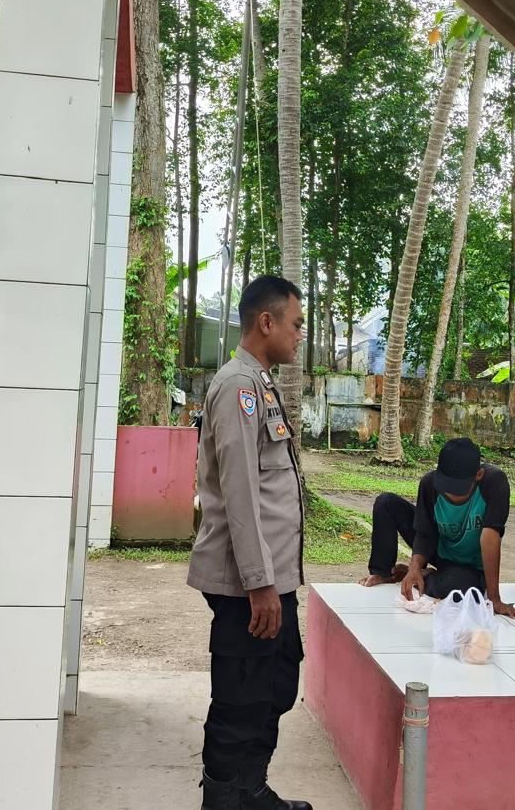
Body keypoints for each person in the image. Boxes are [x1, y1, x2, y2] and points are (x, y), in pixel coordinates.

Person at [187, 275, 311, 810]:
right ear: (266, 322)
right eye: (296, 324)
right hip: (247, 585)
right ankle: (225, 800)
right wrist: (260, 584)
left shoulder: (260, 383)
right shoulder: (238, 387)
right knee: (241, 698)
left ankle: (250, 790)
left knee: (274, 689)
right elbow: (240, 493)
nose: (300, 334)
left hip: (271, 579)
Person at [359, 437, 515, 620]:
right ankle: (385, 573)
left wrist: (494, 600)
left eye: (458, 488)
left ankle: (423, 577)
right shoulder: (429, 483)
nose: (450, 494)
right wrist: (415, 567)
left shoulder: (494, 483)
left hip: (470, 566)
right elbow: (425, 532)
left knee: (463, 591)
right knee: (386, 503)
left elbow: (490, 538)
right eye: (446, 486)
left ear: (478, 475)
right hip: (439, 550)